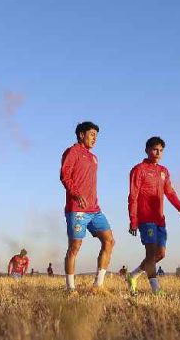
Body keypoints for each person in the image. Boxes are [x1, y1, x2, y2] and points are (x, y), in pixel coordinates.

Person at [126, 136, 180, 295]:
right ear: (147, 150)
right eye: (155, 149)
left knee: (160, 254)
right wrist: (133, 220)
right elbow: (133, 196)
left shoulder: (163, 171)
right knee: (150, 253)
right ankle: (156, 290)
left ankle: (133, 275)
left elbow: (170, 194)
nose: (158, 153)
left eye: (161, 150)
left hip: (159, 219)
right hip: (145, 218)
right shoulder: (138, 169)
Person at [61, 121, 114, 294]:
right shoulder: (72, 151)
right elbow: (64, 176)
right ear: (81, 135)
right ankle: (70, 289)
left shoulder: (94, 157)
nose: (95, 138)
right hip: (77, 208)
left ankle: (98, 285)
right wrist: (76, 194)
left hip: (95, 209)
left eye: (96, 135)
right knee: (75, 247)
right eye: (92, 134)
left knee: (109, 241)